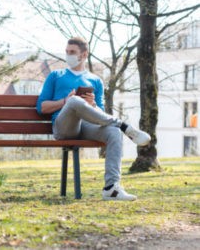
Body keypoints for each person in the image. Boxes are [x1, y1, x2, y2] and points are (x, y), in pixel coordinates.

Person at [36, 37, 151, 201]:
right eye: (67, 52)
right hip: (64, 128)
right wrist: (65, 101)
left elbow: (100, 116)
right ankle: (124, 125)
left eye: (72, 52)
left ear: (84, 55)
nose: (68, 55)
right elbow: (41, 107)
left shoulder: (96, 80)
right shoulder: (56, 75)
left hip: (87, 127)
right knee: (75, 100)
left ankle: (111, 189)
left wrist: (93, 105)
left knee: (113, 132)